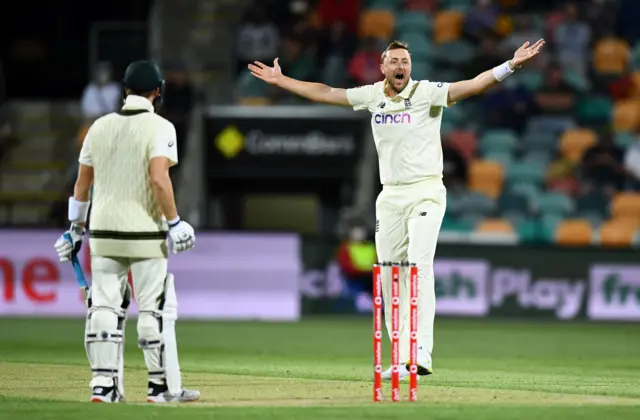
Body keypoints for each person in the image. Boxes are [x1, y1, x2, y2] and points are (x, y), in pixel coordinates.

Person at [249, 38, 544, 380]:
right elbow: (326, 92)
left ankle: (421, 352)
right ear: (383, 66)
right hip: (389, 197)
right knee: (391, 276)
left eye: (406, 61)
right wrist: (282, 81)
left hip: (426, 191)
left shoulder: (426, 92)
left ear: (410, 66)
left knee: (418, 265)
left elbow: (473, 85)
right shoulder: (372, 95)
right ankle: (401, 356)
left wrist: (510, 65)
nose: (401, 66)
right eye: (395, 61)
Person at [53, 60, 199, 404]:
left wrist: (75, 230)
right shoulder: (162, 127)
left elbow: (81, 185)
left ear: (124, 90)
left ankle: (104, 387)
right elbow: (159, 178)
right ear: (157, 92)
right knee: (154, 308)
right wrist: (175, 222)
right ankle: (159, 388)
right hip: (145, 232)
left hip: (103, 234)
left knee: (103, 306)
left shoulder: (98, 127)